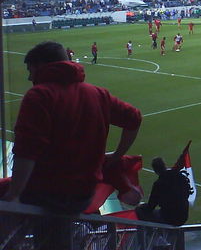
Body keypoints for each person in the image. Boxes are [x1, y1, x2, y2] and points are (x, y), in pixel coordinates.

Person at [2, 42, 142, 246]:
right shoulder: (98, 94)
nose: (29, 77)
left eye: (30, 70)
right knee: (57, 237)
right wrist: (118, 155)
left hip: (48, 191)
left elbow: (27, 151)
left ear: (41, 66)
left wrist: (14, 195)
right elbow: (134, 119)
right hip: (82, 192)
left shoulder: (40, 95)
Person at [135, 157, 190, 226]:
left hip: (169, 218)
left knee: (139, 210)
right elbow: (187, 192)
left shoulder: (159, 184)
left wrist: (142, 205)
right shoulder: (179, 177)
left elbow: (150, 207)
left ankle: (149, 234)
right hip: (183, 215)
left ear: (155, 170)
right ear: (164, 165)